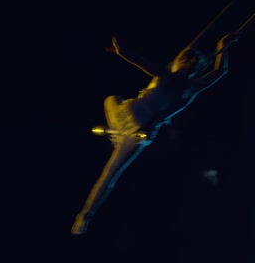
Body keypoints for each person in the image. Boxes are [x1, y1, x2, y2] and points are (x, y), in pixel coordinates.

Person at [71, 32, 239, 234]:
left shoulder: (167, 75)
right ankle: (84, 217)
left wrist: (121, 51)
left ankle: (115, 133)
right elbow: (221, 70)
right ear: (195, 68)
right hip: (141, 133)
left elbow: (141, 61)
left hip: (130, 118)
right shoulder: (193, 86)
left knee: (111, 100)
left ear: (180, 62)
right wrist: (223, 46)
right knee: (108, 176)